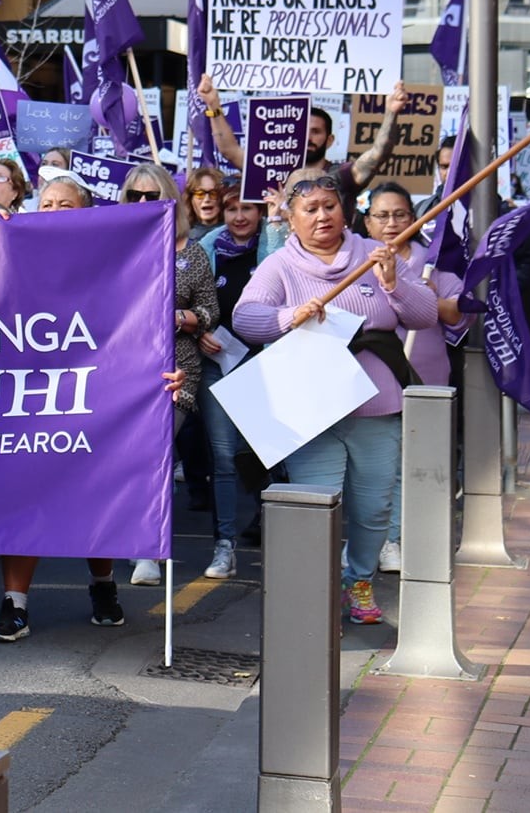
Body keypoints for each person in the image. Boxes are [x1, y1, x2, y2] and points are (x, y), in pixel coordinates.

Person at [232, 171, 440, 626]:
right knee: (317, 503)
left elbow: (425, 313)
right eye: (310, 209)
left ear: (344, 209)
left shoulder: (372, 252)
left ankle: (359, 581)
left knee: (374, 506)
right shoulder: (280, 266)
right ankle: (317, 588)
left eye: (330, 205)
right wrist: (289, 317)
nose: (322, 216)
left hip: (376, 405)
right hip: (312, 409)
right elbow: (246, 318)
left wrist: (393, 283)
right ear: (289, 218)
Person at [0, 174, 169, 642]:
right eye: (45, 203)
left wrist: (165, 370)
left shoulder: (112, 260)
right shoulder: (12, 252)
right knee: (23, 493)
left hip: (95, 392)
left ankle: (103, 584)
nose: (53, 212)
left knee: (94, 492)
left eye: (65, 204)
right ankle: (15, 604)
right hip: (28, 391)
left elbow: (141, 324)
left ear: (86, 212)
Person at [117, 163, 216, 588]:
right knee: (124, 461)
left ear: (170, 202)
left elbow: (212, 310)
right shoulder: (111, 245)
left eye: (151, 196)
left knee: (153, 458)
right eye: (134, 197)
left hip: (175, 370)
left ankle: (148, 552)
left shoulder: (191, 252)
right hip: (119, 368)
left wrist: (183, 316)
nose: (142, 203)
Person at [362, 182, 463, 574]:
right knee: (377, 466)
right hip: (373, 381)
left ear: (415, 218)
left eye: (400, 214)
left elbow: (455, 312)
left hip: (426, 379)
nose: (391, 223)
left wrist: (419, 294)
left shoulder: (433, 263)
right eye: (381, 216)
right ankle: (375, 538)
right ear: (367, 222)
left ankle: (396, 539)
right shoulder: (356, 259)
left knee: (412, 464)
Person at [197, 184, 279, 564]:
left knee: (273, 453)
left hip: (264, 366)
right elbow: (187, 301)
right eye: (231, 209)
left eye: (249, 208)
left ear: (261, 213)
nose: (240, 216)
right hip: (218, 368)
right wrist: (199, 331)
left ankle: (280, 527)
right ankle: (224, 546)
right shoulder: (207, 251)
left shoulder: (275, 250)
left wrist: (279, 222)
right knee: (224, 459)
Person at [199, 73, 409, 218]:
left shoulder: (340, 175)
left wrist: (391, 113)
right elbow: (229, 150)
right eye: (303, 131)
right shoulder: (273, 167)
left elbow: (377, 155)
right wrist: (213, 105)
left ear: (330, 140)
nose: (307, 138)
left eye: (316, 132)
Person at [183, 166, 228, 244]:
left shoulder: (235, 236)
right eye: (200, 194)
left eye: (214, 193)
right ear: (190, 199)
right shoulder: (180, 238)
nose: (207, 199)